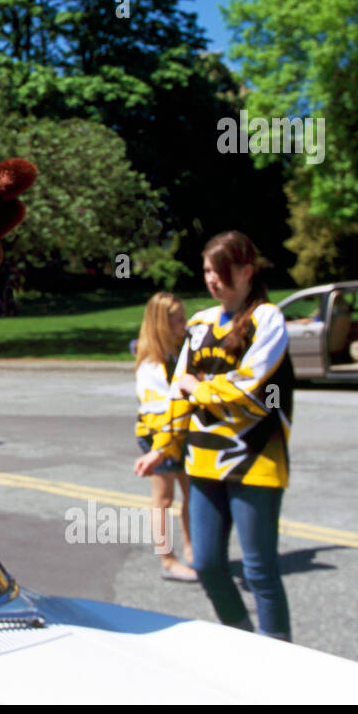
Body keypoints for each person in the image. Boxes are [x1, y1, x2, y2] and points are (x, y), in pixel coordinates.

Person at [134, 232, 294, 640]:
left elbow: (251, 385)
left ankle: (280, 656)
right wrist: (163, 447)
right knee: (205, 563)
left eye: (220, 271)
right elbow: (176, 394)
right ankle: (243, 638)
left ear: (245, 271)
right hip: (202, 462)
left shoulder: (268, 320)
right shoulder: (201, 322)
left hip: (255, 458)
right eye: (206, 270)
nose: (212, 280)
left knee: (260, 571)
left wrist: (198, 386)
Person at [133, 292, 196, 582]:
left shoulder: (178, 352)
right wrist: (160, 449)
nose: (186, 324)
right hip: (158, 436)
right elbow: (158, 415)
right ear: (161, 325)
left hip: (180, 433)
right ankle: (168, 561)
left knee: (192, 496)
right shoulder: (151, 366)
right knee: (164, 498)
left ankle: (193, 552)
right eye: (179, 320)